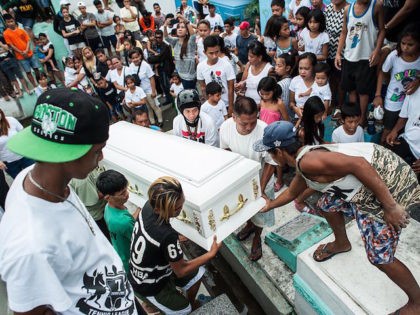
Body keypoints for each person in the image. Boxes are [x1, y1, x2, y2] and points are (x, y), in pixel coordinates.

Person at [255, 120, 420, 315]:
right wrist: (269, 205)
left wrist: (390, 206)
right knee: (327, 203)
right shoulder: (304, 160)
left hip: (392, 185)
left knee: (380, 257)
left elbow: (358, 164)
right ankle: (342, 243)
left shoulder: (308, 161)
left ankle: (417, 302)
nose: (270, 157)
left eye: (270, 153)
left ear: (280, 152)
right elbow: (292, 193)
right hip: (372, 183)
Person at [0, 88, 138, 314]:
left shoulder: (35, 177)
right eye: (97, 151)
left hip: (123, 298)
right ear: (67, 154)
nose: (101, 158)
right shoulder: (29, 246)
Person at [129, 176, 221, 313]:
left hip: (151, 270)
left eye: (182, 203)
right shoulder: (167, 235)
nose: (180, 210)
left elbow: (154, 236)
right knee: (184, 310)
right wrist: (210, 254)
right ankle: (177, 308)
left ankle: (186, 304)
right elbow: (181, 270)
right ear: (161, 209)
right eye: (177, 208)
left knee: (198, 274)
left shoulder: (149, 205)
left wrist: (175, 239)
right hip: (149, 286)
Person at [219, 96, 277, 261]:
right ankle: (249, 225)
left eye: (253, 122)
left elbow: (271, 163)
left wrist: (262, 189)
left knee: (261, 209)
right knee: (244, 207)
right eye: (244, 123)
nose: (250, 127)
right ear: (234, 117)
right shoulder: (225, 128)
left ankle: (257, 237)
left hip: (262, 177)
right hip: (240, 178)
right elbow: (226, 151)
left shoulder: (265, 131)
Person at [335, 0, 385, 125]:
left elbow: (382, 30)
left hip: (365, 58)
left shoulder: (376, 7)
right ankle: (353, 116)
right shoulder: (348, 9)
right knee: (351, 90)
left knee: (363, 92)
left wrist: (377, 51)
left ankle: (362, 119)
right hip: (349, 57)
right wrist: (338, 53)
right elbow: (344, 32)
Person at [374, 24, 420, 144]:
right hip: (393, 101)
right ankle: (382, 147)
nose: (405, 47)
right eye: (403, 43)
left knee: (406, 129)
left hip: (412, 101)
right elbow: (382, 73)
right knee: (388, 129)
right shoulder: (394, 56)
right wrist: (378, 95)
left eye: (410, 44)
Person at [96, 170, 140, 273]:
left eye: (126, 189)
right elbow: (141, 240)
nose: (127, 194)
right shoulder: (122, 222)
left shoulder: (108, 208)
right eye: (122, 193)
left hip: (121, 253)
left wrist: (138, 210)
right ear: (108, 197)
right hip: (132, 262)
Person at [258, 77, 289, 192]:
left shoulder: (279, 103)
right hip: (263, 134)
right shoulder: (261, 101)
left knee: (276, 160)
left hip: (276, 135)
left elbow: (286, 121)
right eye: (262, 94)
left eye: (267, 94)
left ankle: (279, 180)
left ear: (274, 90)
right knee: (266, 157)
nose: (265, 96)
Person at [386, 84, 420, 178]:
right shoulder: (413, 89)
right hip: (408, 140)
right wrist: (394, 131)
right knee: (386, 163)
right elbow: (404, 116)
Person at [70, 167, 111, 242]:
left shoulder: (84, 170)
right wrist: (113, 188)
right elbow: (93, 199)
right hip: (98, 215)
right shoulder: (82, 181)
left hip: (99, 210)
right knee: (107, 238)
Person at [197, 35, 235, 114]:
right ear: (204, 52)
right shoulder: (200, 66)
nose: (214, 56)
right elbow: (203, 87)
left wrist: (231, 107)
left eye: (217, 52)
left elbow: (231, 87)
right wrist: (209, 102)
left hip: (226, 104)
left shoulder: (226, 65)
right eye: (211, 53)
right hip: (212, 106)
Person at [3, 13, 40, 91]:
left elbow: (28, 40)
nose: (10, 23)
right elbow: (11, 45)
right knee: (28, 72)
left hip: (30, 53)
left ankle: (40, 83)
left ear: (14, 21)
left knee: (36, 69)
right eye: (8, 22)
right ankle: (35, 86)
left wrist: (26, 50)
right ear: (6, 23)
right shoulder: (6, 33)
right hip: (21, 57)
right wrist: (21, 52)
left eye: (11, 21)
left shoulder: (21, 30)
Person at [325, 0, 348, 120]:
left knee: (341, 81)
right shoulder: (328, 9)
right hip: (328, 52)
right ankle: (332, 104)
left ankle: (340, 106)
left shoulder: (349, 9)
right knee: (331, 80)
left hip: (344, 53)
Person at [128, 48, 163, 127]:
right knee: (147, 108)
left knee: (154, 106)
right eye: (133, 58)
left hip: (149, 90)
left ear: (140, 56)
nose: (135, 59)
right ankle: (152, 121)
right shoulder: (131, 66)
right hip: (140, 92)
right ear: (130, 59)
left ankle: (160, 120)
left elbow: (152, 78)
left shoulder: (145, 65)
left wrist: (153, 91)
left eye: (136, 57)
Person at [164, 17, 197, 89]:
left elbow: (193, 35)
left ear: (187, 31)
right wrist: (165, 25)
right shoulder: (175, 41)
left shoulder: (190, 42)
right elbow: (166, 37)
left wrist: (185, 20)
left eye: (183, 27)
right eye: (178, 27)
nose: (180, 29)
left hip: (189, 77)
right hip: (180, 76)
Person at [0, 109, 34, 179]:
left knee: (36, 176)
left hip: (24, 155)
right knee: (21, 181)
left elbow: (24, 134)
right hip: (9, 162)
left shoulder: (11, 120)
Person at [289, 52, 317, 123]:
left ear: (314, 67)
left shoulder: (320, 82)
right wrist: (295, 109)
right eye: (300, 68)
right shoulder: (295, 80)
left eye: (306, 68)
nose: (302, 72)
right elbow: (291, 102)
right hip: (298, 118)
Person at [0, 33, 30, 97]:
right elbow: (5, 49)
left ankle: (26, 89)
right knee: (12, 78)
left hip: (11, 59)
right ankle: (19, 92)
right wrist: (3, 49)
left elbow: (8, 48)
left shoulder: (2, 38)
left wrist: (1, 44)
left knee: (20, 75)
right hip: (2, 62)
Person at [275, 53, 295, 121]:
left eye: (279, 66)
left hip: (282, 119)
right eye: (276, 65)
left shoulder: (280, 84)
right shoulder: (293, 81)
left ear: (287, 68)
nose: (276, 68)